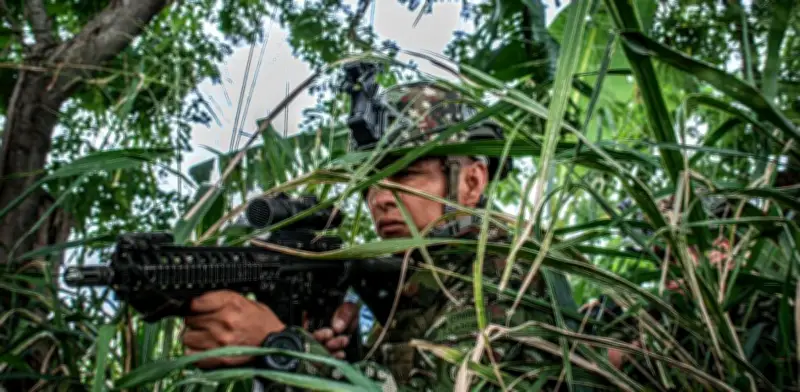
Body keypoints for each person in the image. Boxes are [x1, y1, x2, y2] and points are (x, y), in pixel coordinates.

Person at [180, 80, 592, 391]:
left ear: (470, 182)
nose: (380, 198)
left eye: (407, 172)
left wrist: (281, 350)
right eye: (370, 182)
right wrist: (335, 352)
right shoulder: (414, 281)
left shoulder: (506, 263)